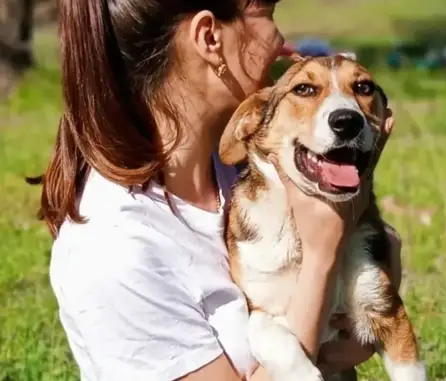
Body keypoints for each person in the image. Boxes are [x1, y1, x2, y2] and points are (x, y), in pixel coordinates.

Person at [30, 0, 401, 380]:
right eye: (268, 14)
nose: (282, 41)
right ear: (209, 38)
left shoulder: (250, 163)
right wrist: (324, 255)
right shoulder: (114, 250)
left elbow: (362, 317)